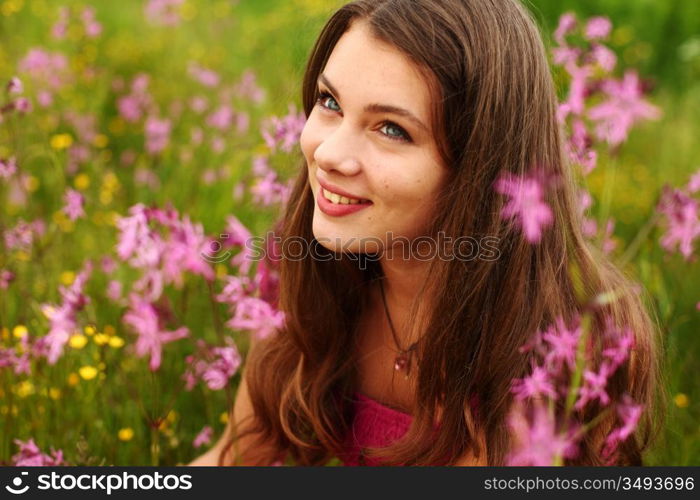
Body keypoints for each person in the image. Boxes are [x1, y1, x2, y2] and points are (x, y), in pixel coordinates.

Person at [190, 0, 663, 466]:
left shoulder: (570, 346)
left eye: (392, 129)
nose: (329, 153)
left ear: (480, 167)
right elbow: (236, 457)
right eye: (329, 102)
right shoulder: (298, 276)